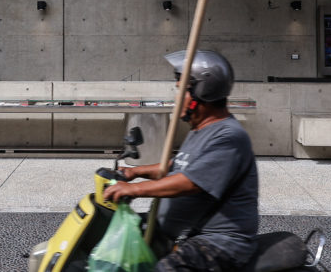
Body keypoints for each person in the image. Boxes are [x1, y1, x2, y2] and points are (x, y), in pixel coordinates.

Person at [103, 50, 259, 272]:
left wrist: (135, 189)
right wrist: (134, 172)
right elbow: (175, 167)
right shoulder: (200, 130)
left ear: (201, 92)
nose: (176, 98)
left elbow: (189, 182)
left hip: (220, 242)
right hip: (192, 233)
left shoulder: (228, 136)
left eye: (181, 91)